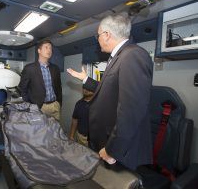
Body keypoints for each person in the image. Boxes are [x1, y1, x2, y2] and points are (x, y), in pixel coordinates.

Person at [67, 13, 153, 170]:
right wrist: (86, 79)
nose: (97, 39)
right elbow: (110, 89)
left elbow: (131, 110)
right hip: (107, 142)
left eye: (98, 35)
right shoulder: (119, 57)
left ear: (106, 35)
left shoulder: (132, 55)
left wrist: (112, 150)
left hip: (119, 151)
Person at [18, 40, 62, 121]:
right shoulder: (29, 68)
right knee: (39, 132)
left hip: (54, 106)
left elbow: (59, 87)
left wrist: (59, 103)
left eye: (50, 48)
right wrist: (30, 106)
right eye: (46, 47)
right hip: (39, 107)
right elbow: (22, 89)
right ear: (39, 51)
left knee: (55, 131)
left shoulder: (55, 68)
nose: (49, 50)